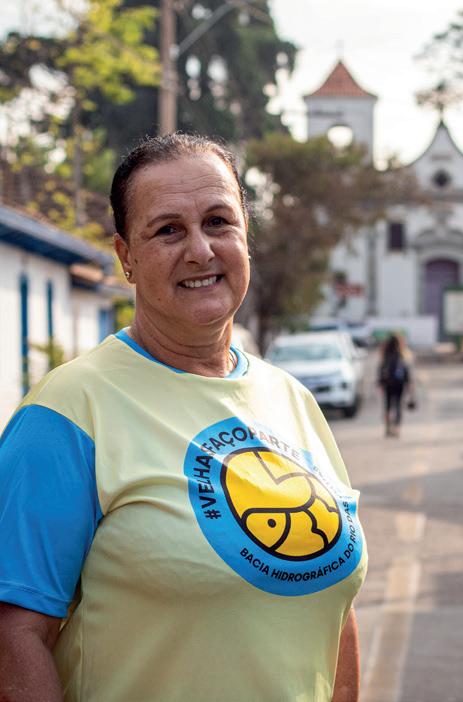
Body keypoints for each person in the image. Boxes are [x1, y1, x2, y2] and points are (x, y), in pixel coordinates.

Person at [0, 134, 367, 702]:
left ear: (246, 235)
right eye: (168, 230)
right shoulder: (68, 411)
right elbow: (14, 638)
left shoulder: (291, 399)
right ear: (126, 256)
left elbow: (334, 607)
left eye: (218, 222)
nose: (200, 250)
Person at [377, 333, 413, 437]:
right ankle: (396, 428)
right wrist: (409, 383)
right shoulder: (402, 353)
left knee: (387, 406)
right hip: (399, 384)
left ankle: (388, 427)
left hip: (388, 384)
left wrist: (380, 383)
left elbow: (381, 370)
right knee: (398, 405)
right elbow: (406, 370)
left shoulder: (385, 354)